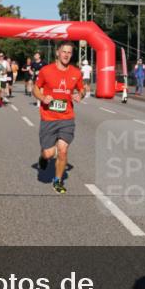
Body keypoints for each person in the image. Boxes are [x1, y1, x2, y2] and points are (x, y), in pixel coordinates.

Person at [33, 41, 86, 193]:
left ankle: (57, 181)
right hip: (49, 117)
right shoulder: (46, 70)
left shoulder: (76, 73)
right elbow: (36, 88)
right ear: (57, 52)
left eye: (69, 52)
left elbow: (82, 89)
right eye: (64, 51)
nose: (66, 55)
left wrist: (80, 95)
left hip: (67, 117)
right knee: (49, 153)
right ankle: (43, 157)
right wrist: (42, 97)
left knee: (62, 150)